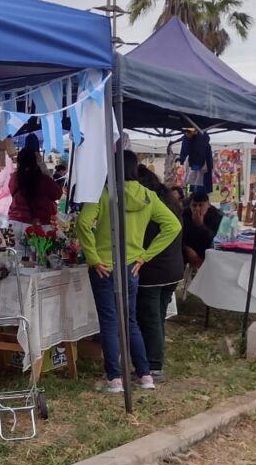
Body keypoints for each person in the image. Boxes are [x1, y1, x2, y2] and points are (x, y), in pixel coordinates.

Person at [75, 150, 180, 393]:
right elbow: (172, 225)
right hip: (131, 265)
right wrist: (145, 255)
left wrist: (92, 257)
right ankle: (145, 375)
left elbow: (82, 223)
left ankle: (114, 378)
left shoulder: (102, 192)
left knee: (110, 322)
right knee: (130, 321)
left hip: (103, 266)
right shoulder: (147, 195)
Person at [134, 166, 184, 384]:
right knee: (157, 318)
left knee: (150, 319)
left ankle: (154, 367)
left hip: (153, 271)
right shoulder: (168, 200)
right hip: (172, 269)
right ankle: (155, 361)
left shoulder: (147, 202)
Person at [8, 146, 63, 230]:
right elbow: (57, 194)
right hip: (40, 224)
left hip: (16, 222)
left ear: (19, 162)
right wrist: (46, 172)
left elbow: (12, 192)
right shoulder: (44, 179)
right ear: (35, 162)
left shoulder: (14, 177)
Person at [182, 191, 222, 269]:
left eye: (201, 205)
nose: (197, 209)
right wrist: (186, 248)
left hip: (208, 248)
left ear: (208, 205)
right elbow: (179, 236)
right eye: (194, 205)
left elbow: (216, 239)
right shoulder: (184, 214)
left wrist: (201, 225)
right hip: (189, 248)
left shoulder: (215, 215)